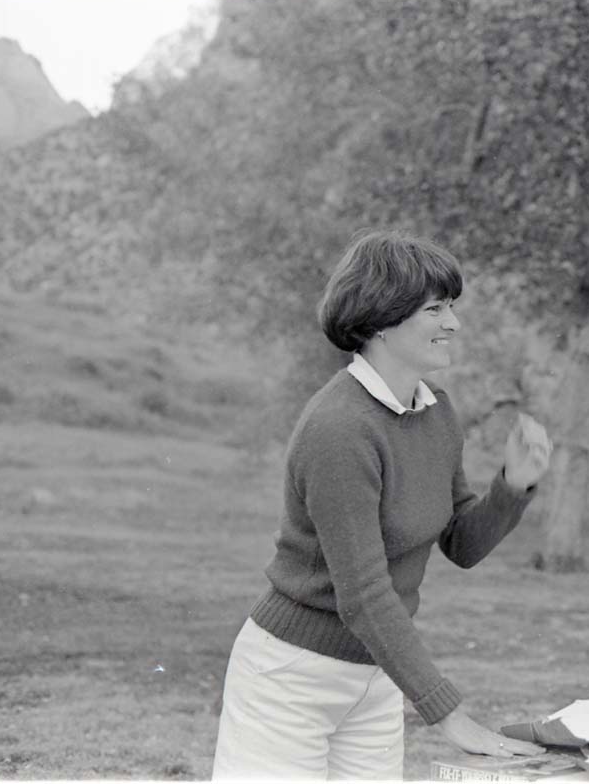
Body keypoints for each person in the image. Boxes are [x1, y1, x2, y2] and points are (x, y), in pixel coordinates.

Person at [212, 229, 550, 779]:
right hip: (290, 678)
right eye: (435, 309)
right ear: (380, 320)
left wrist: (513, 485)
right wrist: (449, 716)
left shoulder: (435, 410)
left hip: (375, 674)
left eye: (451, 306)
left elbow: (461, 543)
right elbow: (364, 594)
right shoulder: (340, 429)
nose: (453, 323)